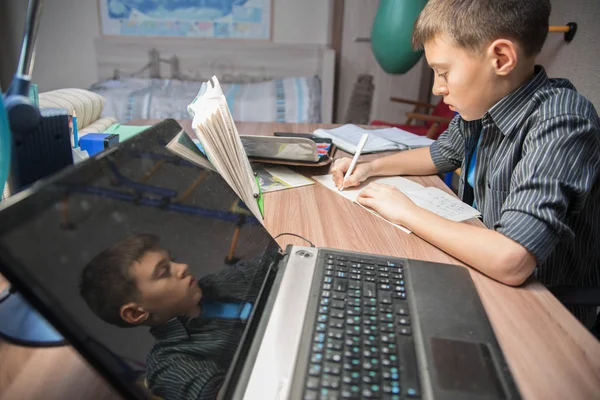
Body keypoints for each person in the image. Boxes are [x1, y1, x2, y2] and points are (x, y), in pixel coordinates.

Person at [331, 0, 600, 326]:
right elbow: (439, 155)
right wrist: (372, 167)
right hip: (483, 271)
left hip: (544, 309)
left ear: (501, 58)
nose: (437, 88)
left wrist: (405, 211)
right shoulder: (486, 103)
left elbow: (511, 259)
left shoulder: (562, 121)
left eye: (443, 72)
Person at [79, 233, 268, 400]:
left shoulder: (214, 284)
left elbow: (271, 263)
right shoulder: (168, 365)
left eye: (173, 260)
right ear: (136, 313)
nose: (183, 267)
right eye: (163, 272)